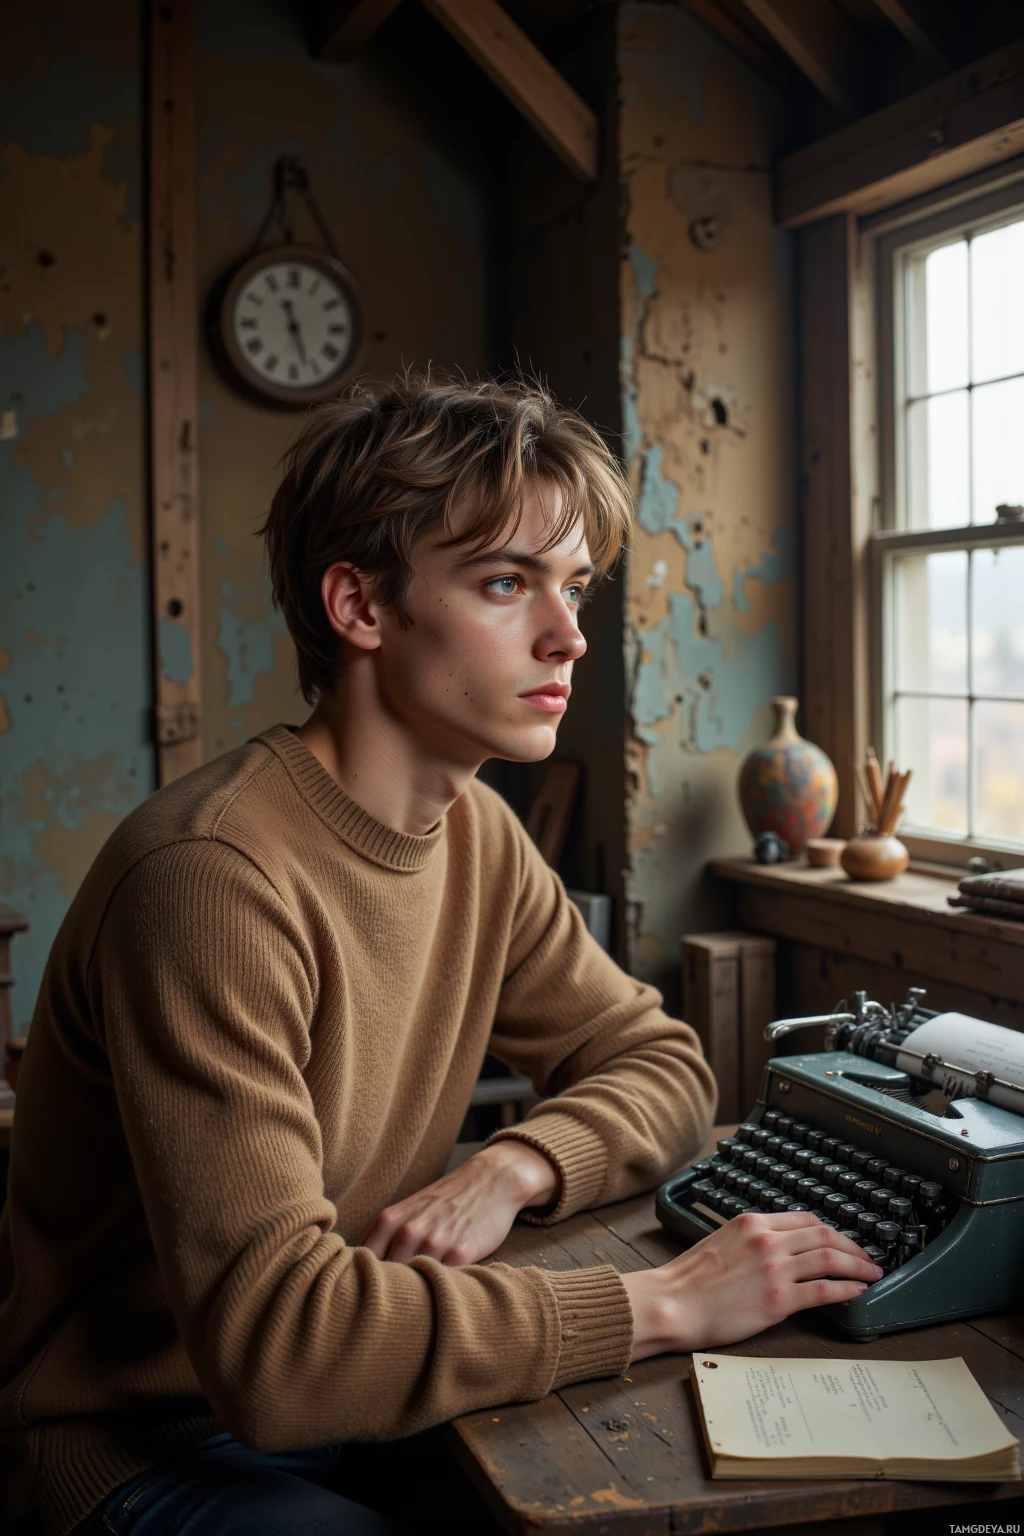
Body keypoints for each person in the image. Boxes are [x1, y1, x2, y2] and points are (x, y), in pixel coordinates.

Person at [0, 375, 882, 1536]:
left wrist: (509, 1169)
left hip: (352, 1393)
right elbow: (283, 1356)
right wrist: (661, 1303)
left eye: (573, 587)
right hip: (136, 1442)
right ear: (360, 608)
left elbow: (661, 1063)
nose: (568, 634)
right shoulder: (210, 882)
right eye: (506, 583)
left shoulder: (474, 835)